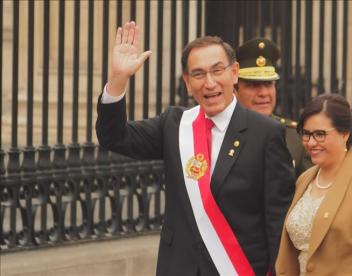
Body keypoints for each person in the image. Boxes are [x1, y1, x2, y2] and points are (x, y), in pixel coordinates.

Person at [96, 21, 295, 275]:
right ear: (188, 83)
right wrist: (118, 80)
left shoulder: (266, 133)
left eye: (217, 71)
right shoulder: (174, 125)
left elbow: (277, 218)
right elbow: (113, 137)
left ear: (234, 73)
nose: (209, 83)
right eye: (199, 74)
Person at [275, 94, 352, 275]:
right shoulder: (305, 179)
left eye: (320, 134)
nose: (311, 143)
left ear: (344, 133)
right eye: (306, 134)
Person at [235, 38, 311, 176]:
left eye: (269, 84)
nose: (263, 93)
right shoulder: (222, 133)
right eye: (253, 85)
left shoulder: (295, 137)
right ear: (234, 90)